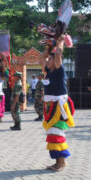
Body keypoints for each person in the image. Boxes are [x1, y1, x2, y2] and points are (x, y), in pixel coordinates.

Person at [41, 36, 75, 171]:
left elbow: (58, 55)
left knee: (57, 134)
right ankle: (57, 162)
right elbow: (43, 57)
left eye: (51, 59)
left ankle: (61, 162)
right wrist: (48, 45)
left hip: (59, 107)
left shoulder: (60, 71)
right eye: (49, 59)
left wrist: (60, 42)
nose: (48, 60)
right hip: (50, 107)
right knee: (52, 134)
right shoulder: (48, 71)